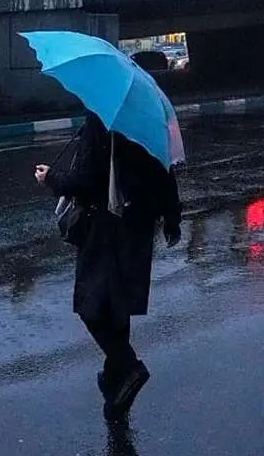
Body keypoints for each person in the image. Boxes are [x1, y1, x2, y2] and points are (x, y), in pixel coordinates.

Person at [35, 113, 182, 422]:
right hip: (139, 228)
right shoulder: (147, 121)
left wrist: (50, 178)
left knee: (91, 307)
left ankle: (128, 367)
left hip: (105, 229)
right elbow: (165, 170)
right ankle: (115, 386)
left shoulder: (100, 122)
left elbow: (85, 183)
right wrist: (172, 218)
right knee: (118, 307)